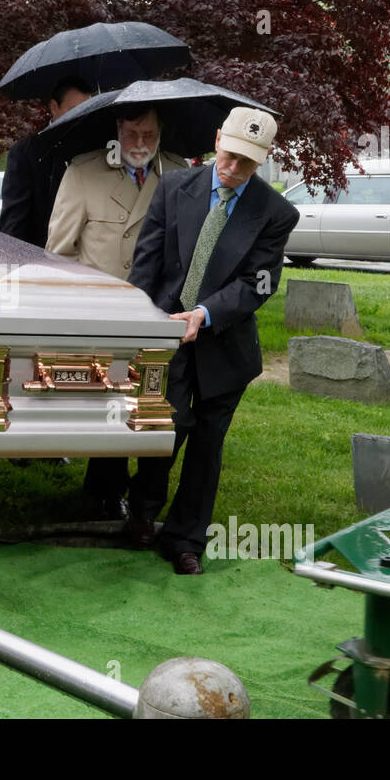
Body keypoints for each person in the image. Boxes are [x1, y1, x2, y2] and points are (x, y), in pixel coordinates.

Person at [128, 107, 299, 574]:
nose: (232, 168)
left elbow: (259, 283)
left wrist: (204, 315)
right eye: (228, 155)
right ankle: (142, 511)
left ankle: (186, 540)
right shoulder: (172, 187)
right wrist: (138, 321)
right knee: (166, 429)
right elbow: (147, 261)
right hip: (165, 337)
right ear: (216, 137)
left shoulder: (276, 213)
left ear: (262, 161)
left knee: (206, 442)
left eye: (246, 162)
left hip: (225, 347)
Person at [46, 104, 190, 522]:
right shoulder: (84, 172)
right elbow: (58, 253)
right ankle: (105, 490)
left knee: (152, 406)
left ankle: (141, 500)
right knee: (110, 401)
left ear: (161, 130)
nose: (139, 144)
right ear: (117, 130)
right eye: (131, 134)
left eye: (148, 134)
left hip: (157, 312)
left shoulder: (180, 175)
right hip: (99, 312)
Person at [0, 76, 92, 247]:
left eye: (86, 110)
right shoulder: (25, 153)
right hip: (41, 260)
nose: (81, 117)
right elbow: (13, 225)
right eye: (74, 110)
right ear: (54, 107)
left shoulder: (96, 149)